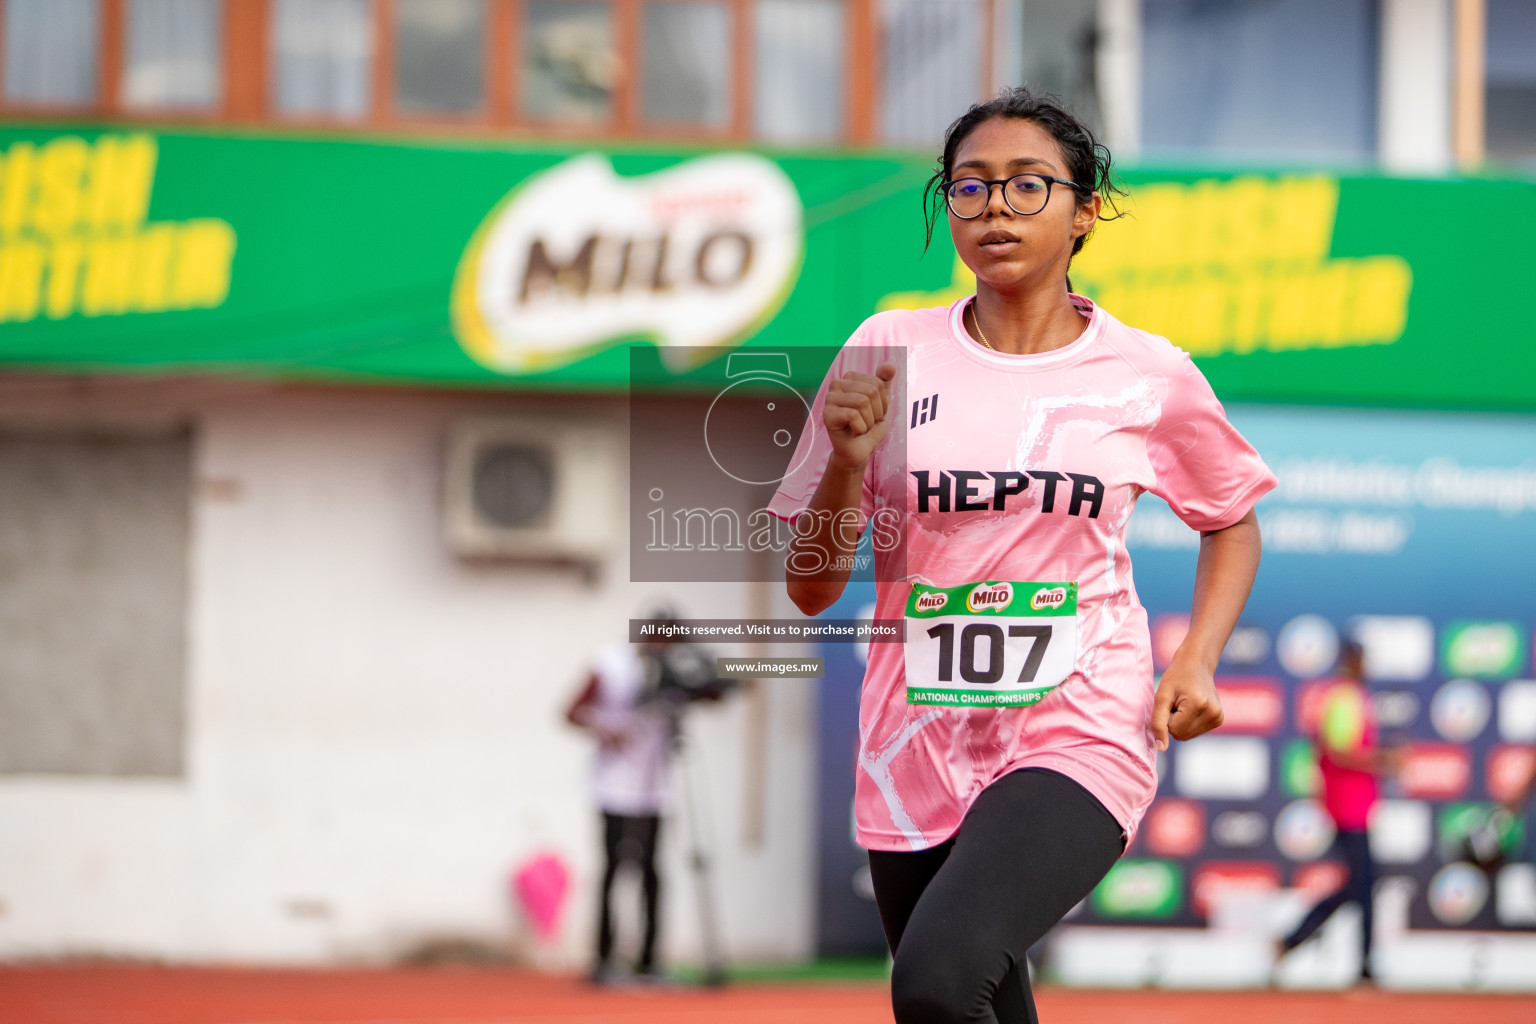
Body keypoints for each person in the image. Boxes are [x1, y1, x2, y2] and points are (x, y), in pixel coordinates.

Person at [768, 86, 1275, 1023]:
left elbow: (1230, 517)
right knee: (980, 1003)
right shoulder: (885, 349)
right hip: (913, 741)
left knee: (938, 980)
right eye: (970, 187)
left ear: (1085, 211)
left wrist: (1198, 654)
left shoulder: (1145, 372)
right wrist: (845, 465)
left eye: (1027, 185)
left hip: (1078, 729)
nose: (995, 207)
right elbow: (810, 588)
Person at [1276, 640, 1399, 982]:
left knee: (1361, 883)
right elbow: (1339, 751)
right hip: (1348, 804)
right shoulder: (1345, 697)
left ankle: (1296, 940)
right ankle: (1361, 965)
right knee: (1362, 883)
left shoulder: (1348, 696)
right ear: (1351, 660)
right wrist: (1385, 760)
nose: (1366, 665)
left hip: (1354, 803)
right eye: (1362, 658)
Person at [565, 617, 675, 984]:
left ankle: (648, 960)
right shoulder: (612, 663)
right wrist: (606, 728)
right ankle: (604, 958)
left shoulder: (676, 669)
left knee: (652, 873)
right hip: (614, 785)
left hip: (655, 786)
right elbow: (571, 710)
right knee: (614, 869)